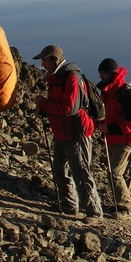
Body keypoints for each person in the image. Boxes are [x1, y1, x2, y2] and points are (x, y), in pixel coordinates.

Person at [33, 45, 103, 221]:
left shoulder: (71, 78)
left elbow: (69, 108)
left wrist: (44, 104)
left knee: (81, 171)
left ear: (54, 59)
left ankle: (94, 211)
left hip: (75, 131)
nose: (42, 64)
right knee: (61, 168)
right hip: (63, 130)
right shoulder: (59, 77)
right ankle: (69, 204)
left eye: (44, 60)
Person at [96, 58, 131, 219]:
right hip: (113, 138)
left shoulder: (125, 92)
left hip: (125, 139)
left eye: (104, 72)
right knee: (122, 173)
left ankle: (125, 208)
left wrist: (110, 128)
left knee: (114, 173)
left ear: (112, 73)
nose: (101, 75)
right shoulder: (108, 91)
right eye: (100, 72)